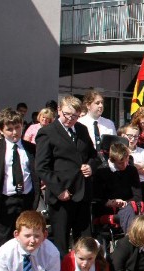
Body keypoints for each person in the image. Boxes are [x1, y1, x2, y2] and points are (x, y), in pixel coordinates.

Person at [35, 95, 98, 257]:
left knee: (83, 241)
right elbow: (42, 167)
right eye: (67, 114)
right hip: (61, 196)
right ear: (59, 110)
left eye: (75, 116)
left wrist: (90, 166)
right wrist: (59, 189)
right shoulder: (47, 132)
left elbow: (94, 156)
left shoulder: (82, 130)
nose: (70, 119)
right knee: (60, 243)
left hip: (82, 192)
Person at [0, 108, 41, 261]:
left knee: (26, 241)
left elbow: (35, 171)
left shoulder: (30, 148)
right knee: (2, 243)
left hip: (26, 200)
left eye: (17, 128)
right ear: (0, 130)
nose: (14, 132)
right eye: (10, 129)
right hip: (3, 201)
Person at [92, 142, 142, 218]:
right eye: (121, 163)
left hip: (128, 206)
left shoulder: (131, 170)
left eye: (127, 161)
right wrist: (109, 202)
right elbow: (97, 197)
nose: (125, 165)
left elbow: (138, 196)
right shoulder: (102, 172)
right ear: (112, 160)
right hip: (109, 209)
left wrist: (124, 203)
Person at [121, 124, 144, 201]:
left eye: (136, 136)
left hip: (142, 183)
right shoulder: (121, 151)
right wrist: (141, 165)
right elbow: (123, 167)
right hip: (127, 185)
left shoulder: (142, 151)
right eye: (129, 136)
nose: (132, 139)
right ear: (123, 136)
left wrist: (132, 166)